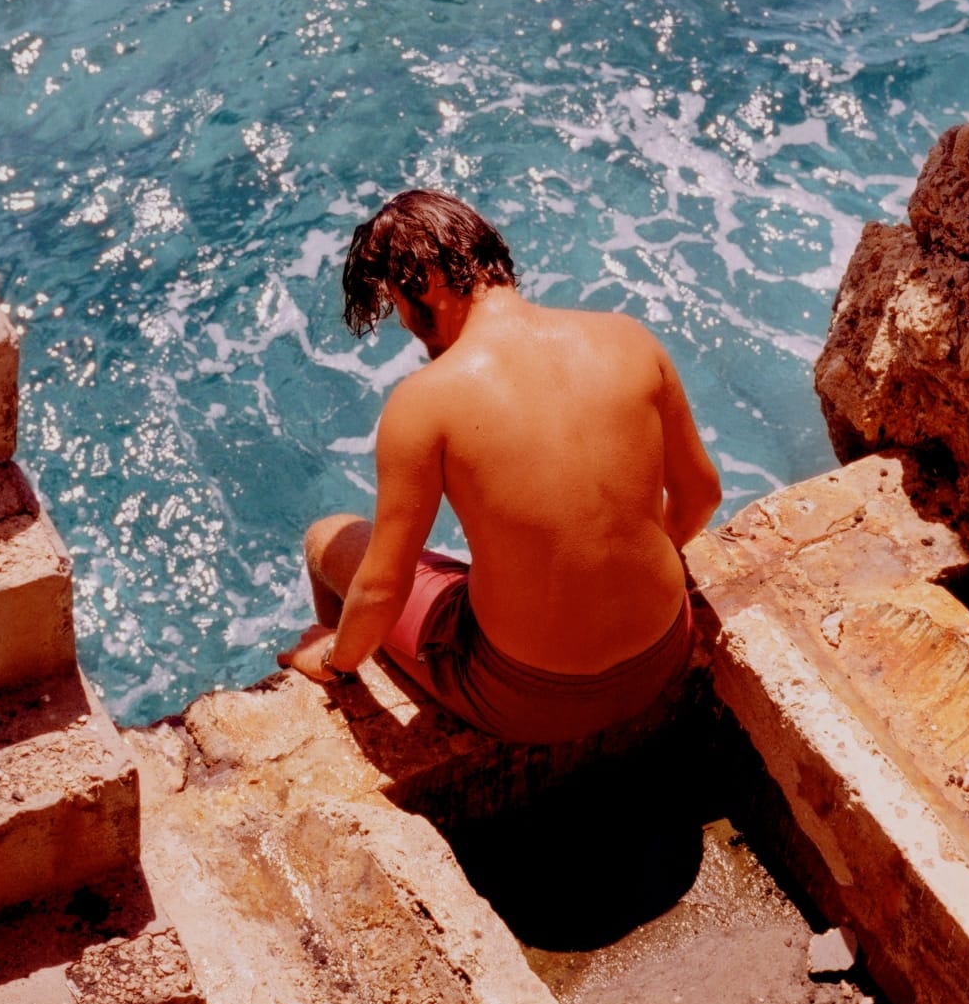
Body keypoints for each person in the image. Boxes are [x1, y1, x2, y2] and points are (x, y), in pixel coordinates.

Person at [276, 189, 723, 742]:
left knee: (329, 538)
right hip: (663, 654)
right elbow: (702, 493)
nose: (412, 333)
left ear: (430, 289)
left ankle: (339, 662)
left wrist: (334, 658)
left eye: (404, 310)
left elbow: (382, 589)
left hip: (531, 701)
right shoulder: (628, 338)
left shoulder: (425, 402)